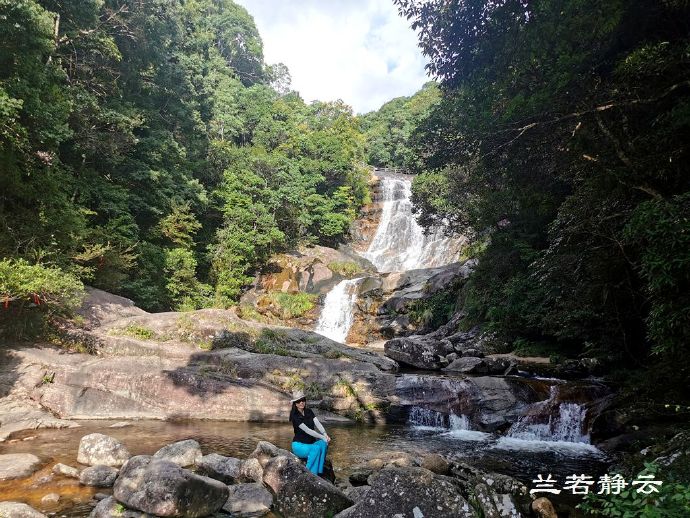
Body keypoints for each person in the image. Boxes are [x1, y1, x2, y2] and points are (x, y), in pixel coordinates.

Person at [288, 389, 330, 475]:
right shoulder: (294, 416)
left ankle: (319, 471)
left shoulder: (309, 411)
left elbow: (317, 423)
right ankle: (308, 474)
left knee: (323, 444)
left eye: (303, 400)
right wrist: (322, 437)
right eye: (298, 401)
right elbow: (308, 430)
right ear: (295, 403)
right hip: (299, 446)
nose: (301, 403)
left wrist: (325, 435)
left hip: (311, 443)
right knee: (316, 448)